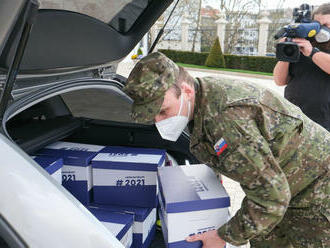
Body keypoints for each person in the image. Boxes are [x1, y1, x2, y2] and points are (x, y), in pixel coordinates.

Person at [123, 52, 330, 248]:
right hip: (281, 185)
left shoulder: (227, 120)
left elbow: (272, 197)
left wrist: (222, 236)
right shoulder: (201, 97)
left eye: (163, 111)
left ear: (186, 91)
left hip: (316, 190)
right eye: (153, 115)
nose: (159, 122)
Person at [273, 3, 330, 132]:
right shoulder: (304, 41)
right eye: (318, 25)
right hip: (294, 121)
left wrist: (312, 53)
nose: (322, 30)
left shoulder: (309, 49)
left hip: (325, 125)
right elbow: (279, 80)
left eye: (327, 25)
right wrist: (286, 51)